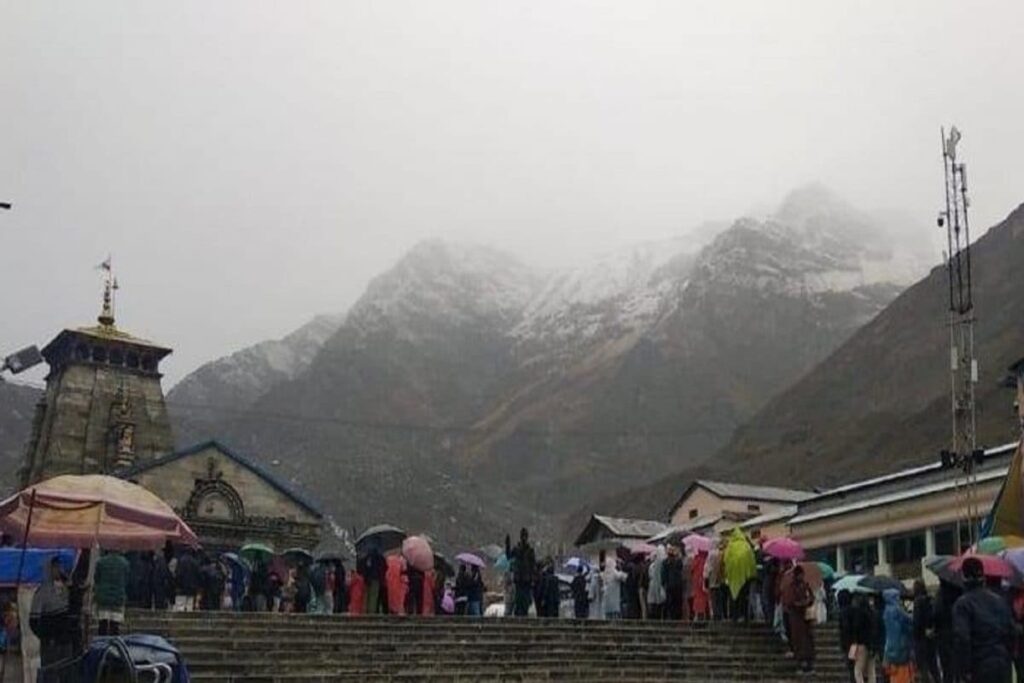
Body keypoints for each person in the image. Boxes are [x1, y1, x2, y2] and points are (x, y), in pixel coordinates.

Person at [952, 556, 1015, 682]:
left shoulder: (962, 604)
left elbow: (962, 638)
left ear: (964, 577)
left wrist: (965, 669)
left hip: (979, 664)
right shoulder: (999, 600)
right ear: (983, 576)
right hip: (1002, 663)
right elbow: (1010, 630)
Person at [30, 557, 73, 682]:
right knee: (50, 675)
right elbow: (33, 621)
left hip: (65, 641)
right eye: (55, 567)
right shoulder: (42, 592)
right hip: (51, 643)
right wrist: (46, 636)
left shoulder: (66, 589)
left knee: (66, 674)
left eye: (59, 566)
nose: (58, 570)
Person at [782, 564, 815, 674]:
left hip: (805, 618)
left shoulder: (805, 585)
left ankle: (809, 664)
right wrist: (802, 603)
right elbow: (790, 602)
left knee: (808, 641)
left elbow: (811, 597)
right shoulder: (791, 587)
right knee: (798, 641)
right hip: (796, 618)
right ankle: (800, 664)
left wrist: (808, 599)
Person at [94, 550, 130, 635]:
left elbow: (97, 579)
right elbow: (126, 581)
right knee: (115, 625)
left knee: (102, 624)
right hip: (118, 597)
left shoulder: (100, 562)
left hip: (103, 597)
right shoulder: (125, 563)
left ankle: (102, 644)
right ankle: (113, 645)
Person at [881, 588, 913, 683]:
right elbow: (909, 622)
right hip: (901, 646)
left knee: (894, 675)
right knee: (903, 674)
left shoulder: (886, 612)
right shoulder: (898, 610)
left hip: (890, 648)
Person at [912, 579, 941, 682]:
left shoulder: (917, 602)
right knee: (933, 665)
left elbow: (917, 621)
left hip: (920, 639)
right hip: (930, 637)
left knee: (922, 667)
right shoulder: (930, 600)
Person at [506, 528, 537, 617]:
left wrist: (533, 577)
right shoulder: (517, 549)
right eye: (522, 536)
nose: (524, 538)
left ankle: (523, 614)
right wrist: (507, 544)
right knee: (519, 600)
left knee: (525, 601)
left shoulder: (530, 550)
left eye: (525, 536)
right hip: (519, 578)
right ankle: (519, 614)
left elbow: (533, 565)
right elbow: (508, 556)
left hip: (526, 579)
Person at [848, 592, 876, 683]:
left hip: (861, 644)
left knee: (858, 670)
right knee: (871, 670)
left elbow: (856, 628)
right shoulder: (871, 613)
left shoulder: (859, 614)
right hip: (871, 644)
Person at [662, 546, 684, 620]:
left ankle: (671, 616)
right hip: (677, 585)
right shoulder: (677, 561)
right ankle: (676, 616)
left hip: (670, 585)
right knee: (676, 602)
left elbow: (663, 574)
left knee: (670, 602)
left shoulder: (665, 562)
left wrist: (663, 583)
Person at [647, 546, 667, 620]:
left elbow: (651, 575)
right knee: (662, 602)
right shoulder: (664, 561)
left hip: (655, 585)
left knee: (656, 603)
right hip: (661, 585)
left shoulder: (655, 563)